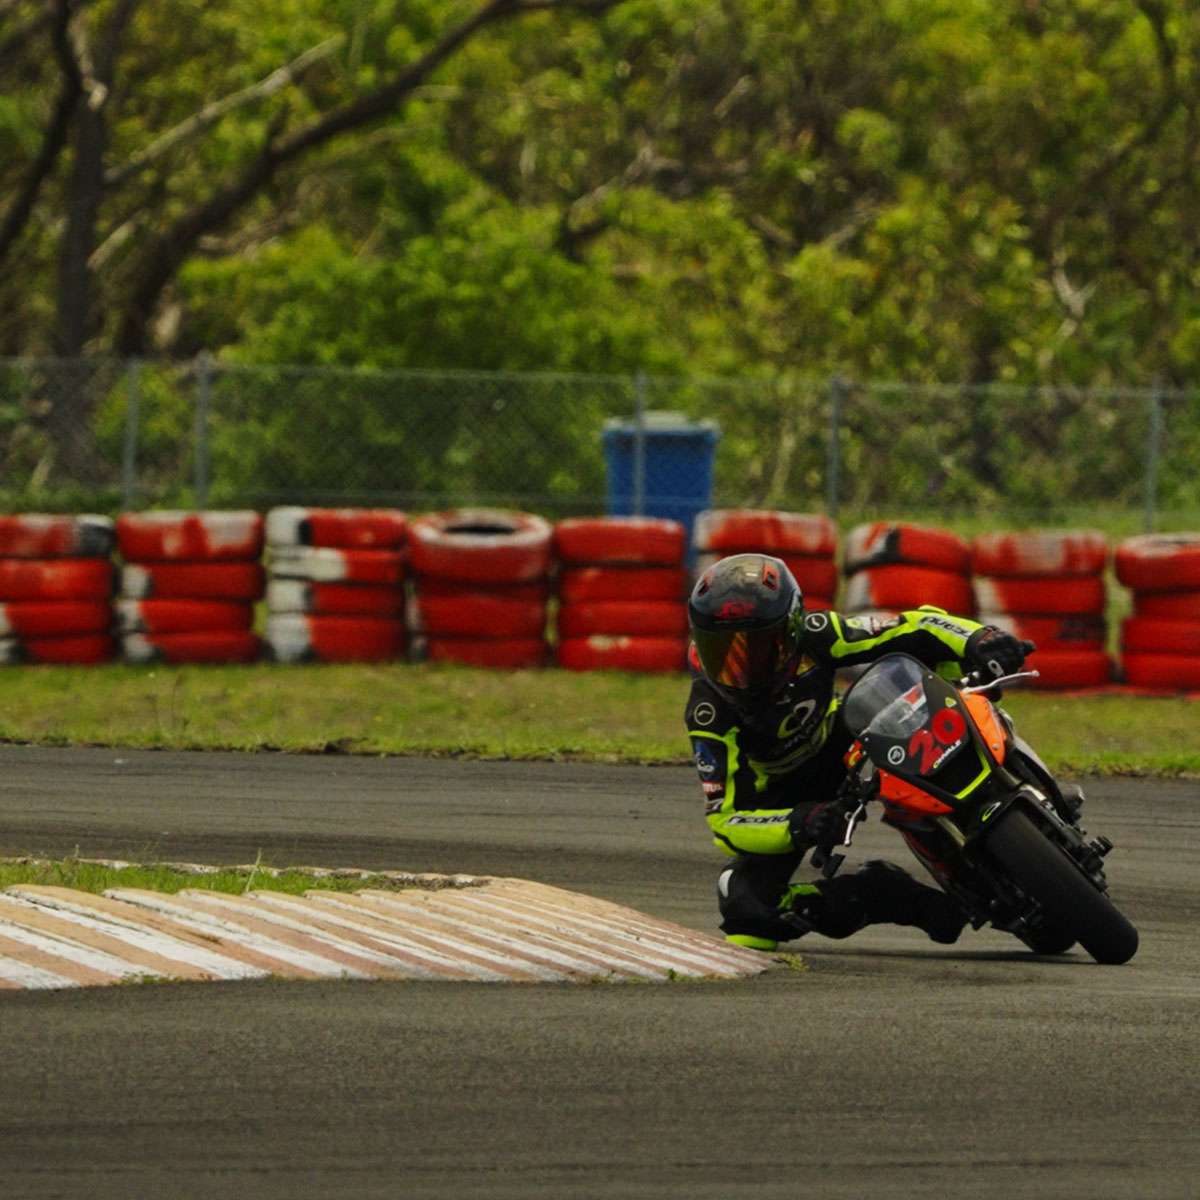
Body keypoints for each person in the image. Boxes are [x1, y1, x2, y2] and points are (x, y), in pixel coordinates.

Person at [685, 552, 1030, 951]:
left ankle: (993, 757)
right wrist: (801, 823)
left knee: (928, 653)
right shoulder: (708, 712)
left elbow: (911, 626)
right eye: (721, 652)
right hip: (786, 795)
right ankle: (883, 893)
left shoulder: (818, 633)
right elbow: (725, 820)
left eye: (763, 648)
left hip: (845, 738)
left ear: (794, 628)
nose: (743, 670)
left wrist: (979, 639)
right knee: (745, 911)